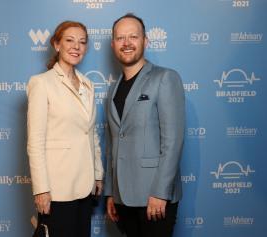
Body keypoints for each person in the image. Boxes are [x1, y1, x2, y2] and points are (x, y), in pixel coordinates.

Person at [104, 13, 185, 237]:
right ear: (113, 44)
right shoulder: (112, 89)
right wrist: (111, 192)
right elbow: (113, 144)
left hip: (154, 196)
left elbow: (173, 141)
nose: (127, 43)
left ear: (145, 41)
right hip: (122, 198)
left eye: (133, 36)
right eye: (120, 38)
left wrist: (160, 193)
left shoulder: (165, 78)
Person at [27, 21, 104, 237]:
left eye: (82, 42)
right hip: (57, 188)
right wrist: (41, 189)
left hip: (85, 185)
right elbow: (35, 141)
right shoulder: (41, 83)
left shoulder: (88, 84)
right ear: (57, 44)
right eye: (69, 40)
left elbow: (91, 134)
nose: (76, 46)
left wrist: (98, 173)